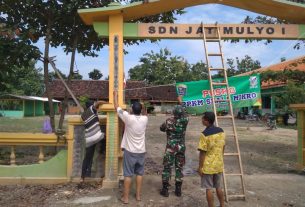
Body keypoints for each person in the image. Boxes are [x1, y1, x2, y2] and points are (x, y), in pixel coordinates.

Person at [113, 91, 148, 204]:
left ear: (132, 110)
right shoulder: (145, 119)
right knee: (139, 173)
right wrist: (142, 106)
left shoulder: (128, 118)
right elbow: (145, 112)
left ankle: (126, 198)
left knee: (128, 174)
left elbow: (116, 108)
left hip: (130, 151)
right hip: (141, 151)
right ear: (141, 110)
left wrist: (115, 96)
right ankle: (138, 196)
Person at [160, 97, 189, 197]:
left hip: (170, 148)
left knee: (167, 168)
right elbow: (185, 112)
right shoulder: (185, 120)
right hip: (181, 148)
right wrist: (181, 102)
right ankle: (178, 190)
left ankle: (165, 189)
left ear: (173, 112)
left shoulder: (168, 121)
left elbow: (161, 128)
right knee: (179, 168)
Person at [198, 112, 225, 207]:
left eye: (202, 119)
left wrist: (200, 167)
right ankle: (222, 205)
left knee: (208, 188)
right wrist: (220, 157)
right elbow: (223, 146)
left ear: (206, 121)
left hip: (208, 166)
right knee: (218, 186)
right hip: (218, 164)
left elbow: (202, 152)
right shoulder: (221, 131)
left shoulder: (204, 134)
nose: (201, 120)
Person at [81, 100, 107, 182]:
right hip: (97, 136)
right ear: (91, 106)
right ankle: (103, 151)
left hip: (89, 139)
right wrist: (108, 103)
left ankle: (83, 176)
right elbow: (98, 102)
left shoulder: (83, 115)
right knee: (108, 137)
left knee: (88, 157)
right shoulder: (91, 109)